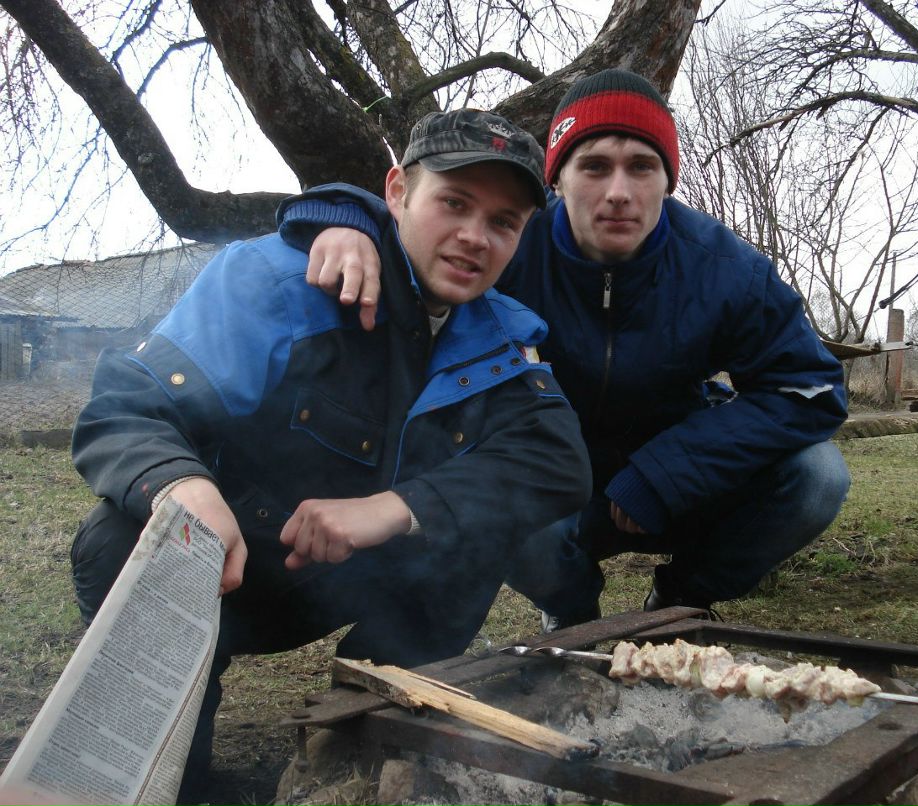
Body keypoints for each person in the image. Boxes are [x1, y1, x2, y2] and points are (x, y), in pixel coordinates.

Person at [68, 109, 591, 798]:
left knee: (478, 531)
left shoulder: (501, 338)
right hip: (232, 573)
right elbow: (126, 406)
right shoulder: (277, 280)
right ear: (398, 191)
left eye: (503, 222)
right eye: (454, 203)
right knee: (121, 537)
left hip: (358, 579)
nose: (473, 237)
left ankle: (352, 754)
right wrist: (180, 486)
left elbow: (559, 464)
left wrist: (398, 507)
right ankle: (172, 779)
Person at [276, 69, 851, 631]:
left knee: (819, 475)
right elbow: (418, 226)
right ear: (557, 179)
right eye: (595, 166)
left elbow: (810, 389)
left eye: (642, 167)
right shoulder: (506, 244)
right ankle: (573, 615)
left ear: (668, 181)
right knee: (502, 499)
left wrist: (672, 469)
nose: (619, 193)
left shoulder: (727, 270)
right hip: (547, 481)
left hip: (682, 483)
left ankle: (681, 600)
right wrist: (341, 217)